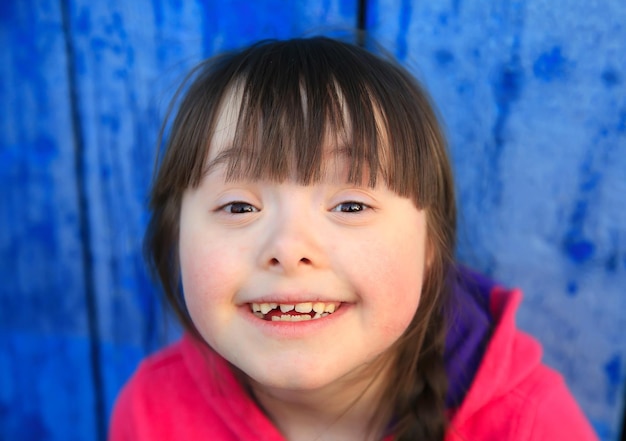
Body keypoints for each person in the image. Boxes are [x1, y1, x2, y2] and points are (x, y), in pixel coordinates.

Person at [109, 37, 598, 441]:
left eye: (350, 206)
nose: (288, 247)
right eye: (239, 207)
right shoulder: (152, 413)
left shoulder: (530, 424)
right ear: (176, 239)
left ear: (431, 246)